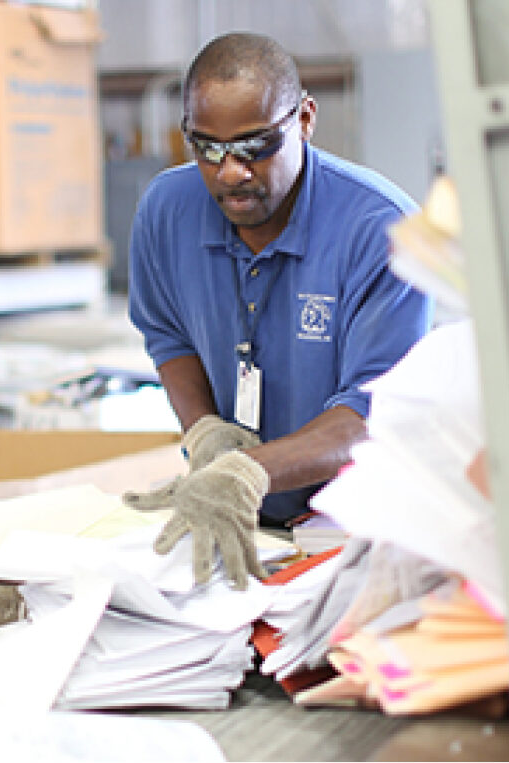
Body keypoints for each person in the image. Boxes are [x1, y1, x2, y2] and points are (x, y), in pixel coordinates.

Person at [124, 32, 433, 589]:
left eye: (255, 146)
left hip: (354, 530)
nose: (230, 173)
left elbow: (374, 414)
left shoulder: (383, 231)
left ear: (305, 119)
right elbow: (169, 338)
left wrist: (247, 471)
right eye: (207, 148)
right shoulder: (166, 212)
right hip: (248, 524)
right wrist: (207, 434)